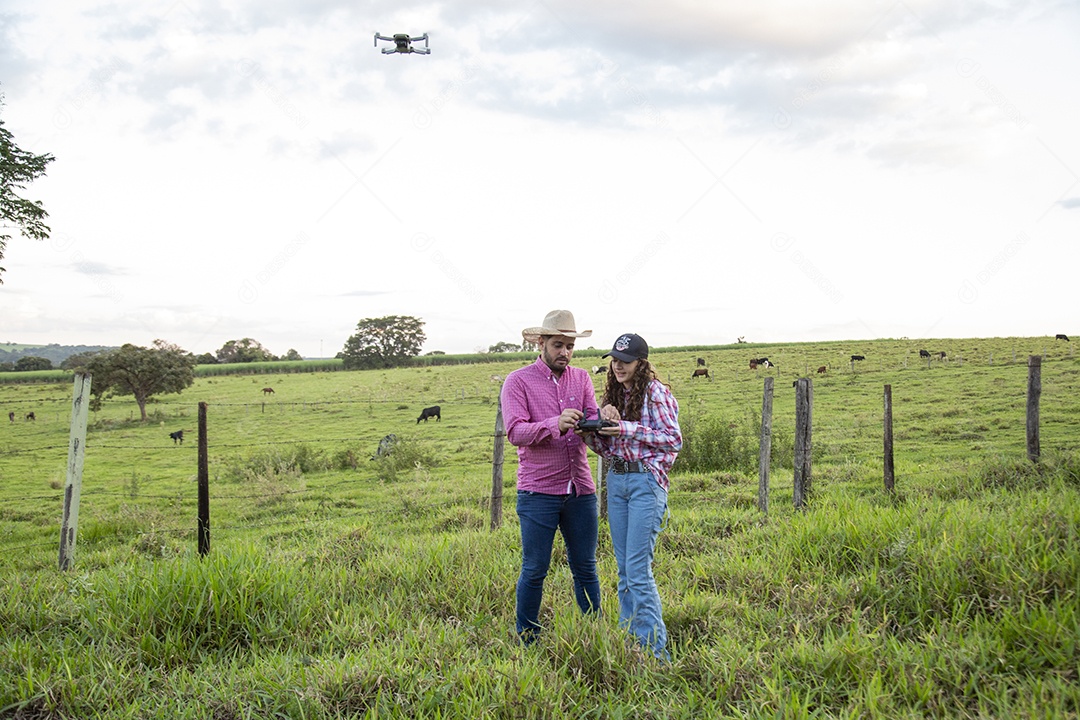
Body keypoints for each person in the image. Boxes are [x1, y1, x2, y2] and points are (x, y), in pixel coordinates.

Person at [500, 309, 602, 643]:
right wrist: (553, 424)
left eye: (570, 346)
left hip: (580, 487)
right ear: (541, 343)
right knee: (535, 569)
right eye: (558, 344)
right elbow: (515, 432)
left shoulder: (582, 378)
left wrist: (600, 422)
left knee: (586, 565)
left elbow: (591, 419)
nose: (565, 352)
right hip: (538, 490)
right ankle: (527, 636)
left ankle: (593, 630)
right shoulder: (518, 381)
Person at [581, 332, 681, 659]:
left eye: (625, 361)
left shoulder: (656, 393)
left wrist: (626, 428)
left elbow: (672, 440)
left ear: (641, 363)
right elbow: (609, 448)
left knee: (638, 571)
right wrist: (591, 432)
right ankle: (631, 646)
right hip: (618, 481)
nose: (618, 366)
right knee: (623, 571)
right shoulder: (615, 396)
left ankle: (657, 654)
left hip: (644, 483)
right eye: (614, 360)